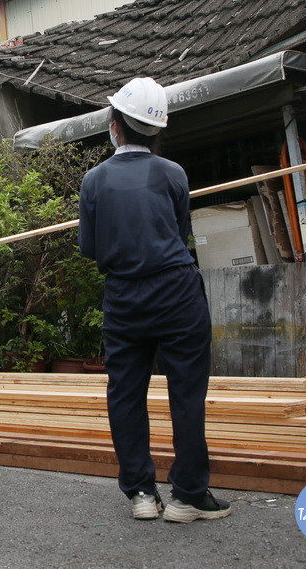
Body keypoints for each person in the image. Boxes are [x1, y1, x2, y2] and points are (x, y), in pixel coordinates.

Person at [78, 77, 230, 524]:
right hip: (176, 289)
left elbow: (89, 248)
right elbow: (180, 234)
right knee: (187, 392)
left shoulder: (94, 180)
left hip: (124, 294)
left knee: (125, 393)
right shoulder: (174, 174)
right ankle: (188, 495)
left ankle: (141, 493)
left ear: (115, 125)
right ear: (155, 129)